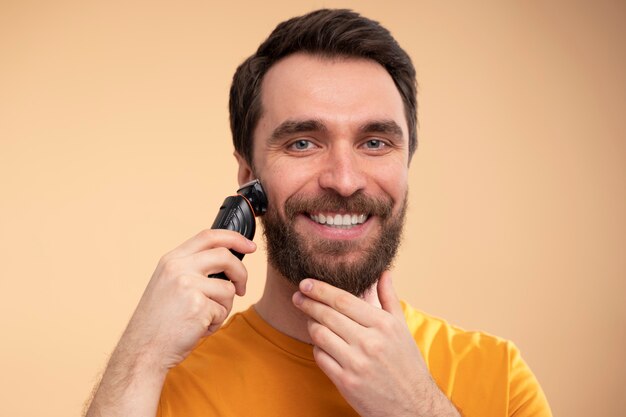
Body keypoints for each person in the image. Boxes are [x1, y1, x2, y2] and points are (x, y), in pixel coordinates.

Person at [84, 9, 552, 417]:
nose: (344, 180)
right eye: (303, 143)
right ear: (249, 173)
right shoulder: (159, 388)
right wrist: (140, 359)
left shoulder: (500, 377)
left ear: (406, 164)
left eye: (375, 142)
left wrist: (412, 408)